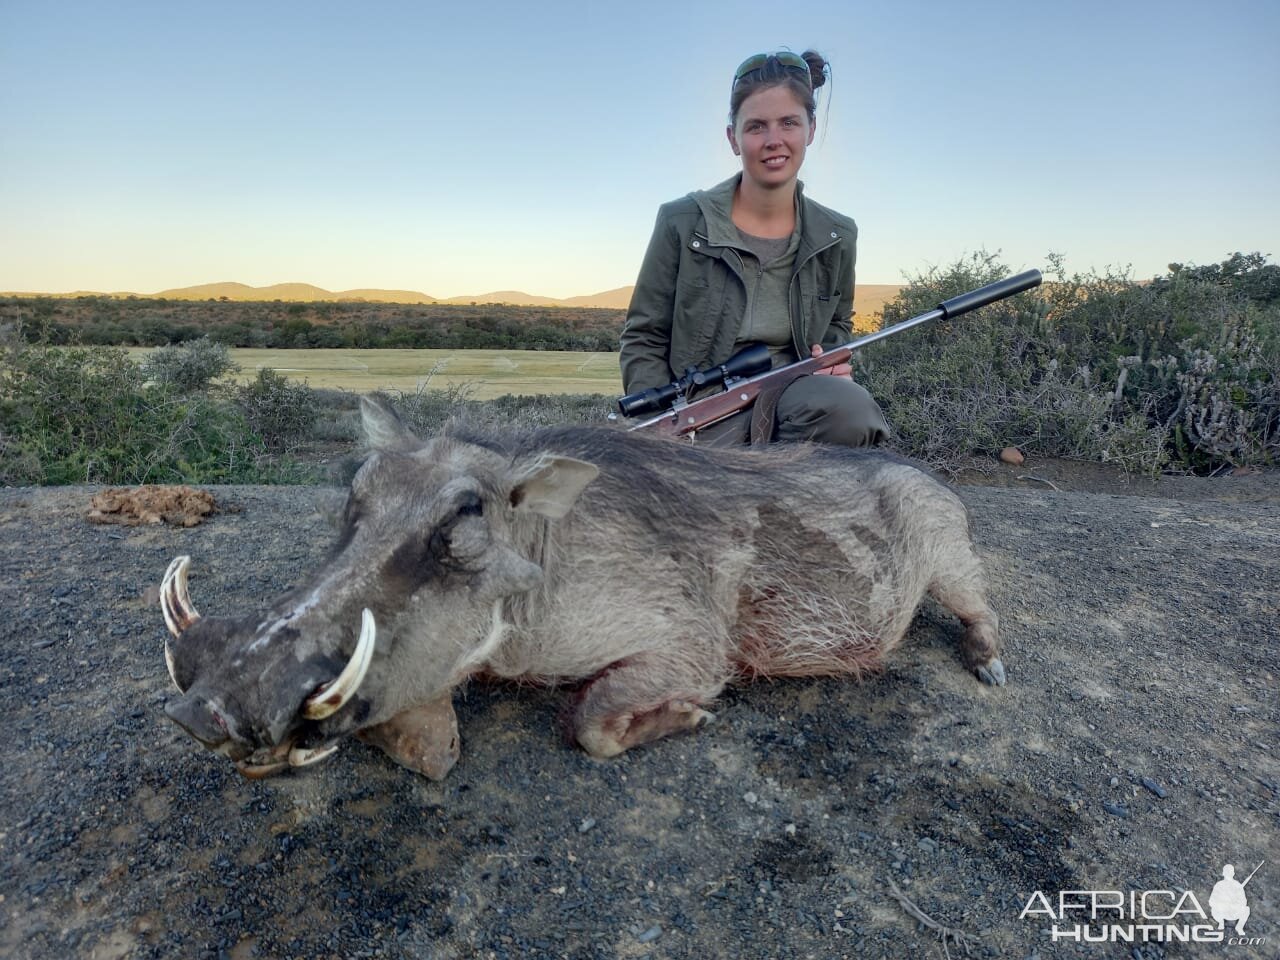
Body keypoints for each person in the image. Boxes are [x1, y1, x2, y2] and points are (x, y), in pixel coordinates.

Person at [620, 49, 889, 447]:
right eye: (756, 127)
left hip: (792, 396)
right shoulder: (681, 221)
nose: (773, 140)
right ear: (733, 138)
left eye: (789, 123)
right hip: (699, 407)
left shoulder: (837, 234)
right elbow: (644, 337)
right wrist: (662, 421)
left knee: (852, 410)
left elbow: (837, 327)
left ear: (810, 130)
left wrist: (832, 365)